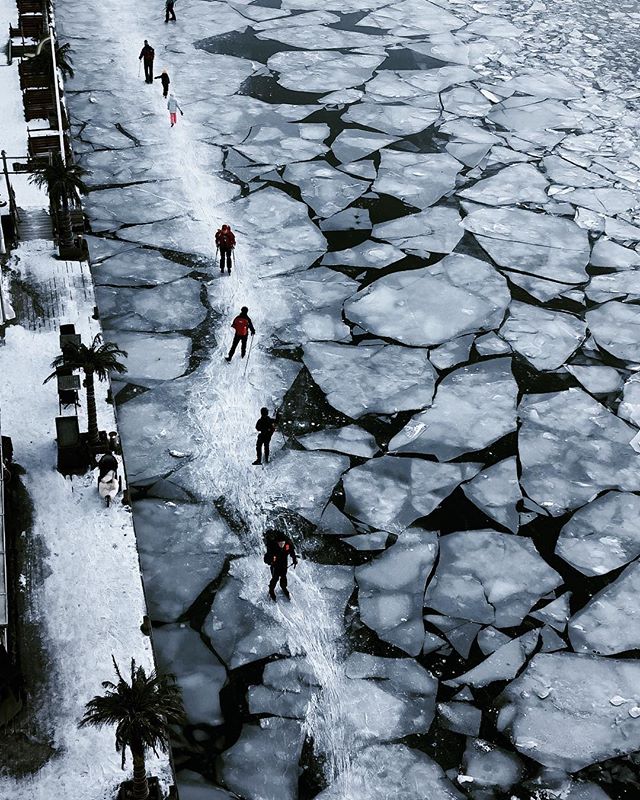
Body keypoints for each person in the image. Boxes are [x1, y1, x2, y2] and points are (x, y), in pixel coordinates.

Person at [264, 533, 297, 601]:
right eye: (280, 543)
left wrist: (294, 559)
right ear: (277, 542)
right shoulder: (272, 547)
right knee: (275, 578)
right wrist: (271, 561)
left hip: (284, 563)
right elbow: (267, 558)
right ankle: (271, 590)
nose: (281, 545)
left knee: (283, 576)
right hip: (275, 565)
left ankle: (283, 587)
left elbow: (292, 552)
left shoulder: (287, 545)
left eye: (283, 543)